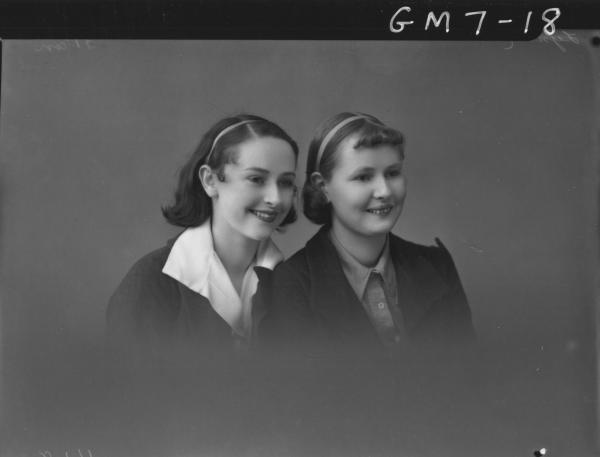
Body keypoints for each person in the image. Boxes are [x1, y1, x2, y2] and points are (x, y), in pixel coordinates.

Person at [257, 112, 475, 357]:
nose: (384, 191)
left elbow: (467, 375)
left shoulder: (437, 265)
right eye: (363, 177)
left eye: (392, 173)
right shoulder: (292, 283)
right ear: (322, 187)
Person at [106, 114, 299, 358]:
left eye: (285, 183)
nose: (275, 198)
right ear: (210, 181)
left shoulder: (296, 283)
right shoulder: (149, 283)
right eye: (256, 179)